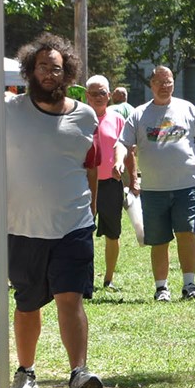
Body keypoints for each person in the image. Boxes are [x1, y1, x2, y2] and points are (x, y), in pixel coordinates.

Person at [6, 35, 105, 388]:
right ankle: (26, 372)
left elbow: (91, 167)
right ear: (30, 70)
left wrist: (91, 210)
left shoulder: (85, 114)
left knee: (70, 297)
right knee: (28, 303)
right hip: (21, 225)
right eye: (43, 66)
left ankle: (79, 373)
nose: (50, 73)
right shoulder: (10, 110)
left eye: (57, 67)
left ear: (69, 73)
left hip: (73, 223)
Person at [119, 66, 195, 302]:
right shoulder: (139, 114)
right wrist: (124, 169)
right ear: (151, 84)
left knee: (186, 232)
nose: (165, 86)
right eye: (159, 82)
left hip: (187, 185)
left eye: (169, 82)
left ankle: (189, 285)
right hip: (154, 189)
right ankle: (161, 288)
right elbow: (124, 144)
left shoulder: (187, 109)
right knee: (159, 239)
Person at [85, 74, 127, 291]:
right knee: (83, 233)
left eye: (103, 93)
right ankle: (86, 280)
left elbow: (125, 146)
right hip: (83, 185)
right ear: (86, 96)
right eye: (94, 93)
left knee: (113, 233)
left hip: (111, 183)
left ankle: (108, 279)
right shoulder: (78, 117)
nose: (99, 97)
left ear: (109, 95)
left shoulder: (117, 118)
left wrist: (123, 166)